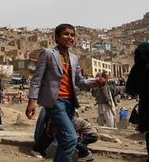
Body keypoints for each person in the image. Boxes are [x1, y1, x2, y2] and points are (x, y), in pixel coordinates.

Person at [25, 23, 101, 162]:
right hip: (55, 102)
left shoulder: (74, 58)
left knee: (63, 140)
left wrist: (95, 83)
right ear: (56, 38)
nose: (70, 37)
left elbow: (79, 81)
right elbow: (36, 80)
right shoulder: (48, 54)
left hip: (70, 103)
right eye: (66, 34)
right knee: (71, 138)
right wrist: (32, 101)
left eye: (72, 35)